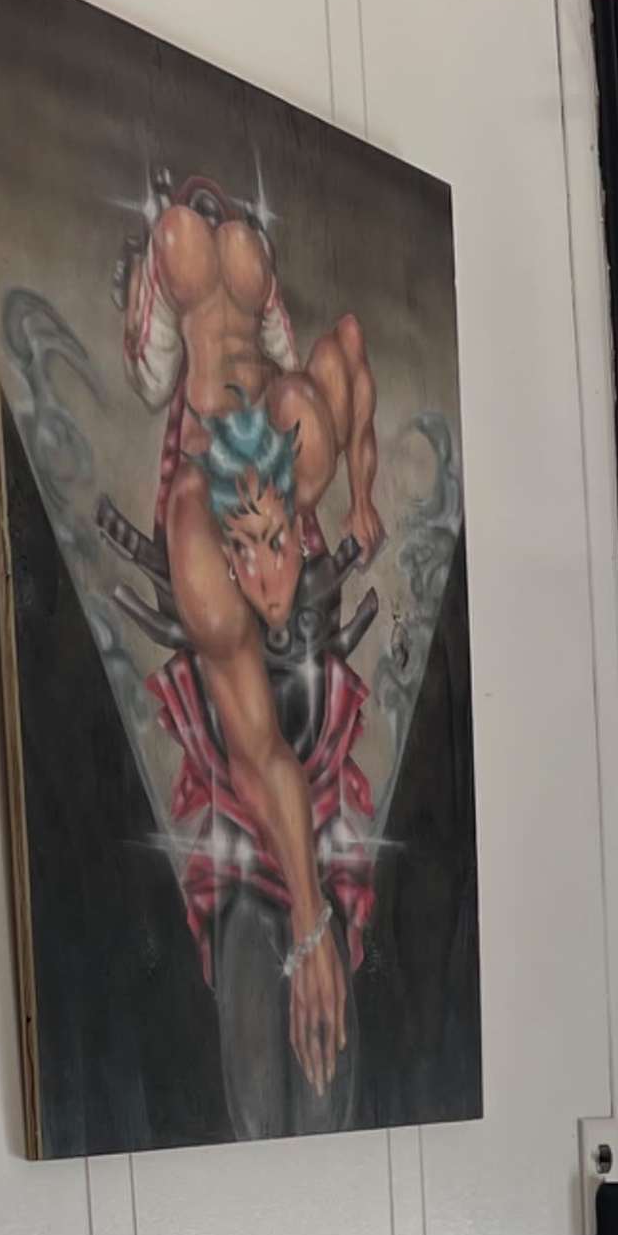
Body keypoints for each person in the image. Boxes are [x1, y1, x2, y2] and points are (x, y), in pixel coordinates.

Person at [120, 171, 387, 1129]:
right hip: (193, 329)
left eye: (284, 543)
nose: (272, 580)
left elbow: (349, 347)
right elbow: (259, 751)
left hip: (263, 381)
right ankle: (167, 267)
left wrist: (359, 492)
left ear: (292, 502)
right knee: (191, 256)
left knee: (235, 288)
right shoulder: (198, 543)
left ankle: (214, 263)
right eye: (256, 559)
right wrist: (311, 930)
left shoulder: (301, 433)